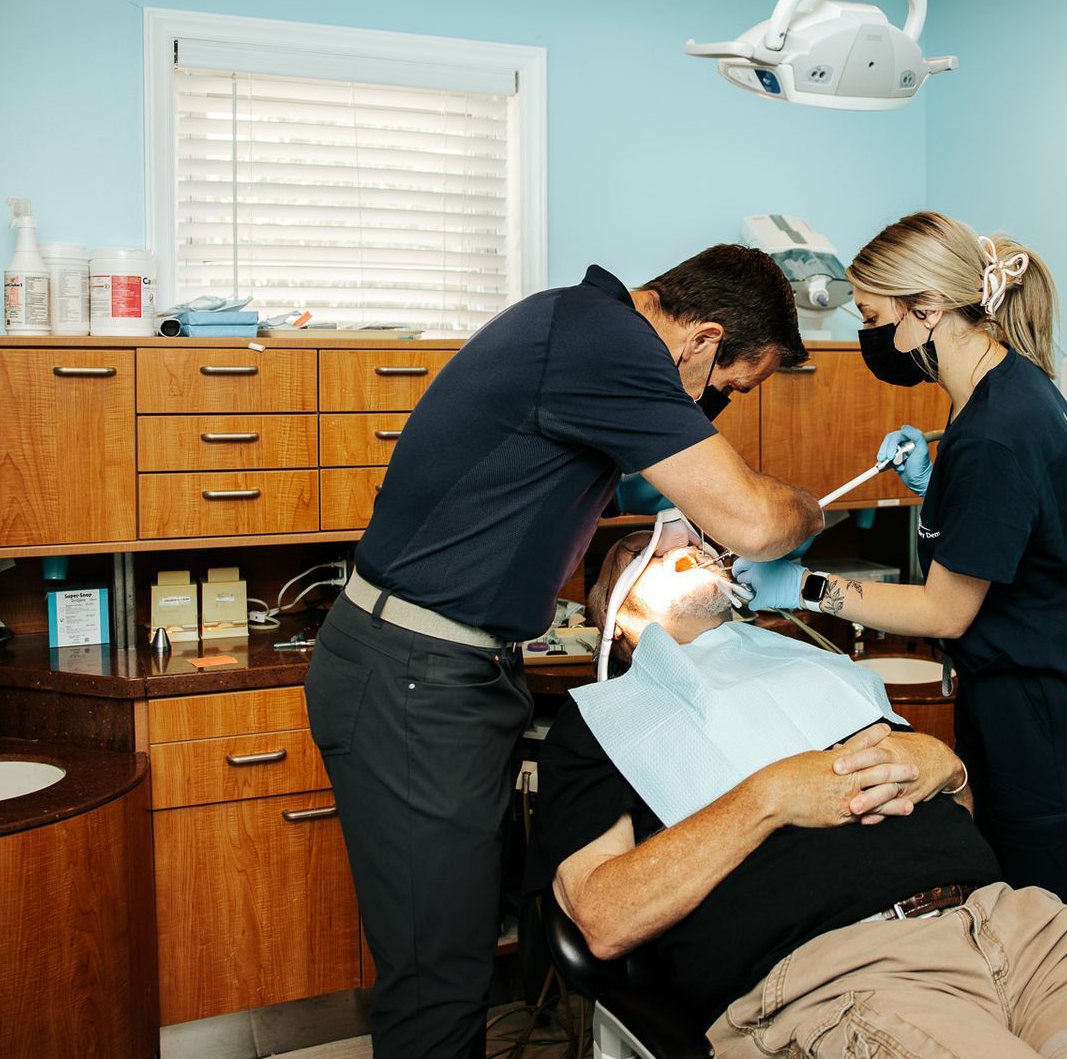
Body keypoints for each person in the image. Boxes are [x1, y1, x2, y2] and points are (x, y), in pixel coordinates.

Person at [305, 246, 825, 1058]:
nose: (715, 407)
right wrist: (805, 510)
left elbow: (554, 483)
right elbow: (756, 523)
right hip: (414, 674)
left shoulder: (580, 330)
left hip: (448, 667)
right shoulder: (608, 344)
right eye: (726, 387)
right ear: (701, 339)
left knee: (470, 940)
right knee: (436, 971)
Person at [526, 538, 1067, 1059]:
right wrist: (767, 797)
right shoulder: (604, 725)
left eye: (706, 544)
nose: (700, 551)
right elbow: (603, 917)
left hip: (1012, 925)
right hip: (844, 972)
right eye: (667, 553)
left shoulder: (817, 671)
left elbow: (955, 818)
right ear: (617, 608)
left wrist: (947, 766)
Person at [733, 212, 1067, 920]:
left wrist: (802, 586)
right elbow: (1013, 527)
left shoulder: (995, 433)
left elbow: (946, 610)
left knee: (1057, 935)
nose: (868, 335)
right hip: (1034, 694)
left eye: (872, 316)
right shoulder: (1008, 390)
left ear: (927, 312)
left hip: (1047, 718)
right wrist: (933, 484)